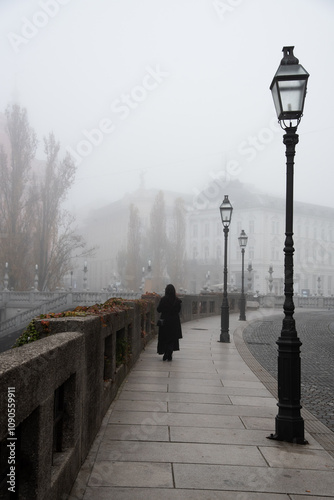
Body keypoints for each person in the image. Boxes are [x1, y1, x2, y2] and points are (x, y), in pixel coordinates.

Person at [157, 284, 182, 361]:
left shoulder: (163, 299)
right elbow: (178, 311)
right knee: (172, 338)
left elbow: (158, 309)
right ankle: (169, 352)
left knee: (164, 338)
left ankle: (165, 353)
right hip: (174, 322)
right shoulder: (177, 301)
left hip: (165, 321)